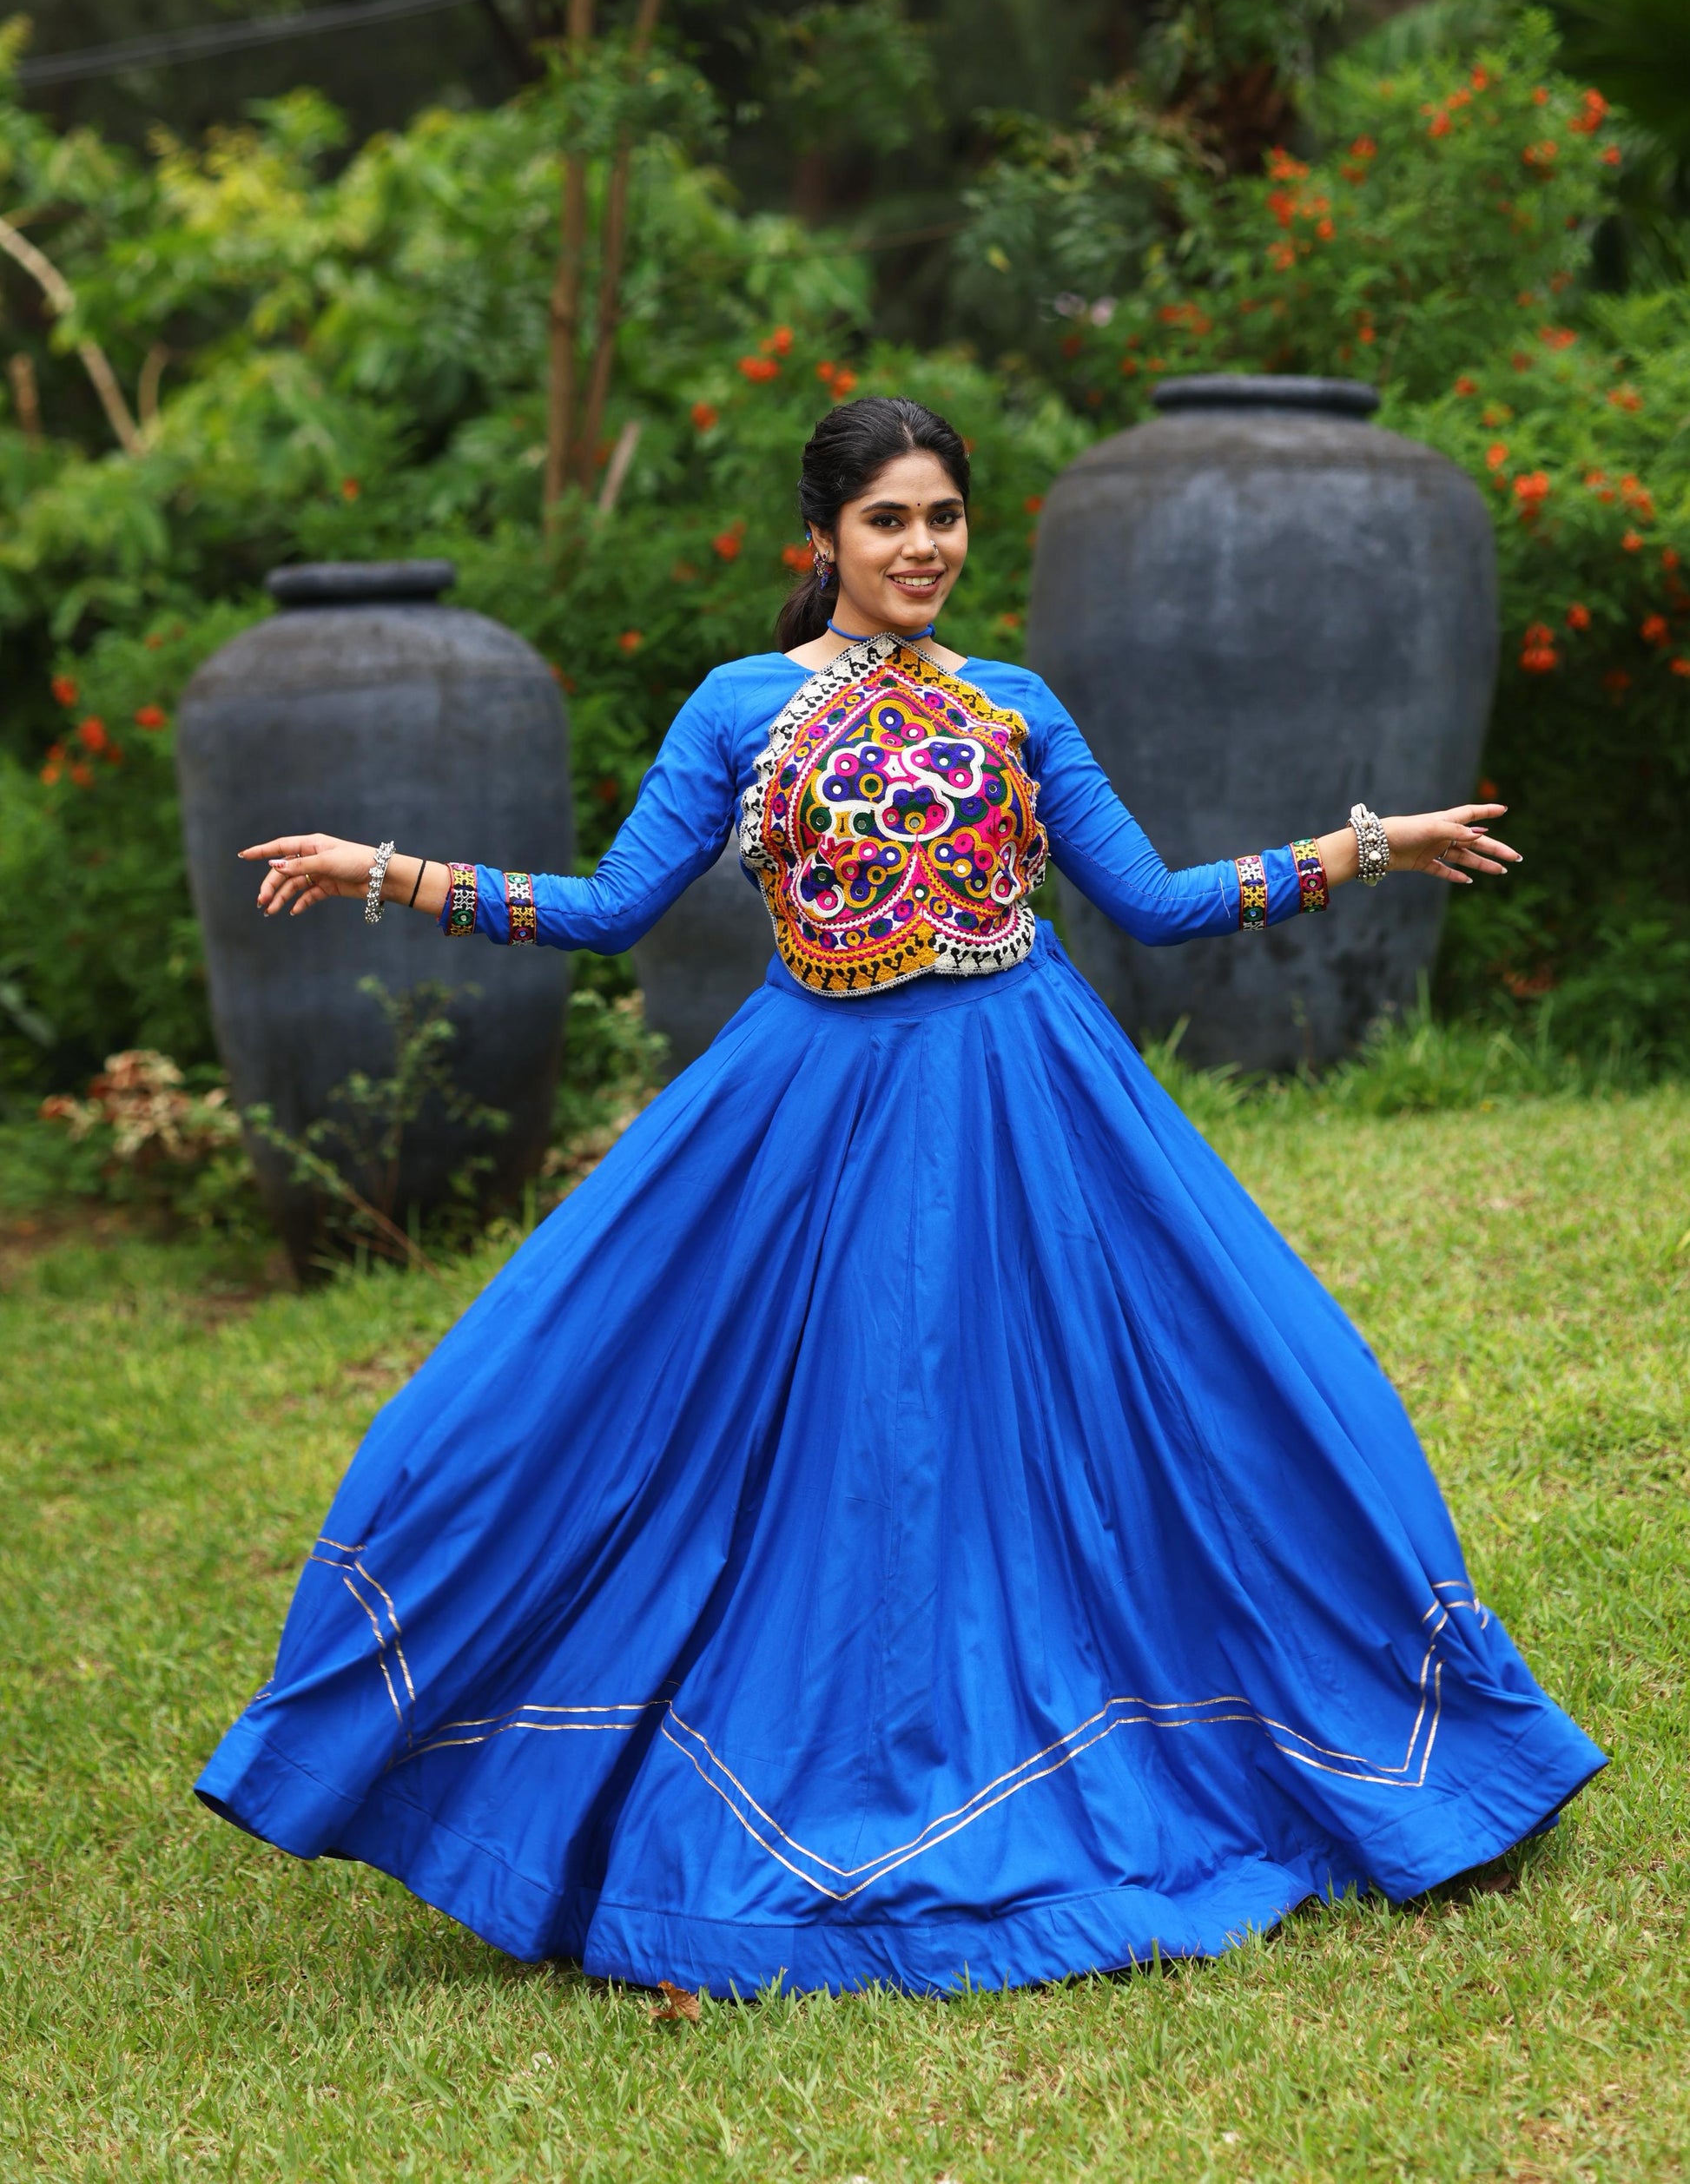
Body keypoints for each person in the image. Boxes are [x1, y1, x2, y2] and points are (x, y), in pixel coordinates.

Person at [198, 393, 1602, 1998]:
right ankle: (765, 1767)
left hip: (1029, 1094)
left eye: (942, 516)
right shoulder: (738, 708)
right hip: (817, 1107)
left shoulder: (1013, 705)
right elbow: (605, 910)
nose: (923, 545)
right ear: (824, 540)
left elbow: (1146, 900)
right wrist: (386, 869)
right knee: (792, 1427)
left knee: (1229, 1393)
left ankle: (1311, 1723)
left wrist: (1364, 845)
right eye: (889, 520)